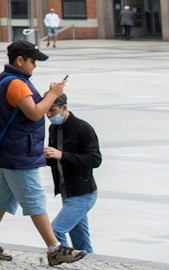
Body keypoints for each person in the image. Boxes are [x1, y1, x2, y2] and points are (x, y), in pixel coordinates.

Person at [0, 41, 83, 265]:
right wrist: (53, 94)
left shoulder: (12, 81)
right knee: (35, 200)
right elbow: (34, 113)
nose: (35, 66)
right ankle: (54, 248)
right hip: (20, 153)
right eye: (33, 61)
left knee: (2, 198)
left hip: (13, 150)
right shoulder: (16, 84)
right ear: (20, 60)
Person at [45, 94, 100, 254]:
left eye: (52, 111)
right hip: (67, 192)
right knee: (81, 241)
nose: (49, 115)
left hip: (83, 193)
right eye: (46, 112)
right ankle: (89, 263)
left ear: (65, 107)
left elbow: (95, 159)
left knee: (55, 231)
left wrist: (62, 155)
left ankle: (63, 258)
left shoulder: (83, 128)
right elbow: (54, 158)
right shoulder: (53, 128)